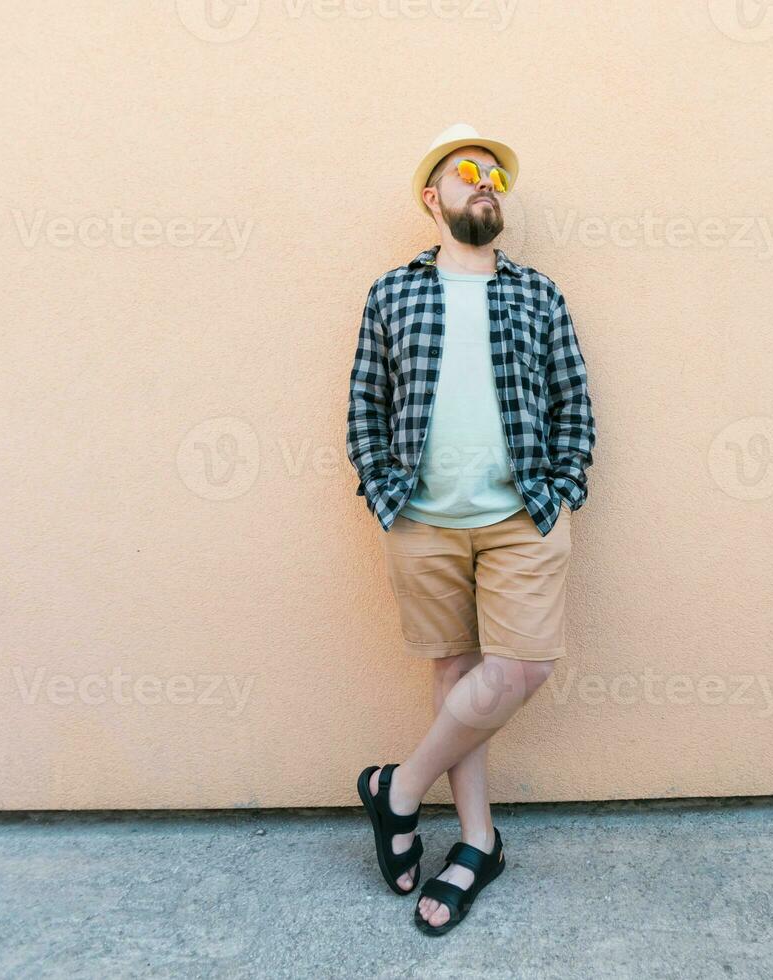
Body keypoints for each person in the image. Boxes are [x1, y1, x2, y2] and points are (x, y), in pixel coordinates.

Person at [346, 123, 597, 935]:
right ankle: (479, 842)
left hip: (521, 516)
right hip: (421, 522)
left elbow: (574, 403)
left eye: (496, 175)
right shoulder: (392, 293)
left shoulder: (537, 293)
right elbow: (365, 408)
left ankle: (400, 789)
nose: (486, 182)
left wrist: (562, 488)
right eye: (468, 171)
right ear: (434, 197)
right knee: (457, 680)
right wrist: (385, 492)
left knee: (519, 670)